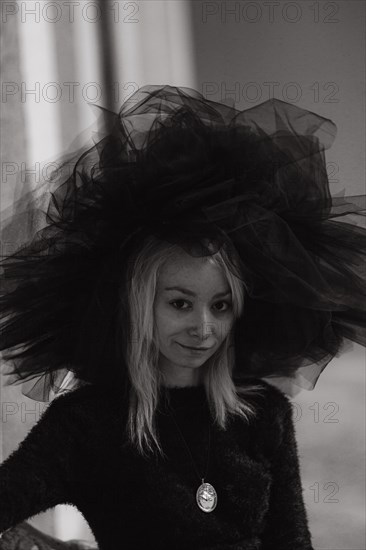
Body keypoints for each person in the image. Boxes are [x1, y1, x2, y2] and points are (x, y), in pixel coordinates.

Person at [0, 85, 365, 550]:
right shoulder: (84, 424)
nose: (204, 328)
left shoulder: (262, 414)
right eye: (179, 303)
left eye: (221, 304)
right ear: (139, 304)